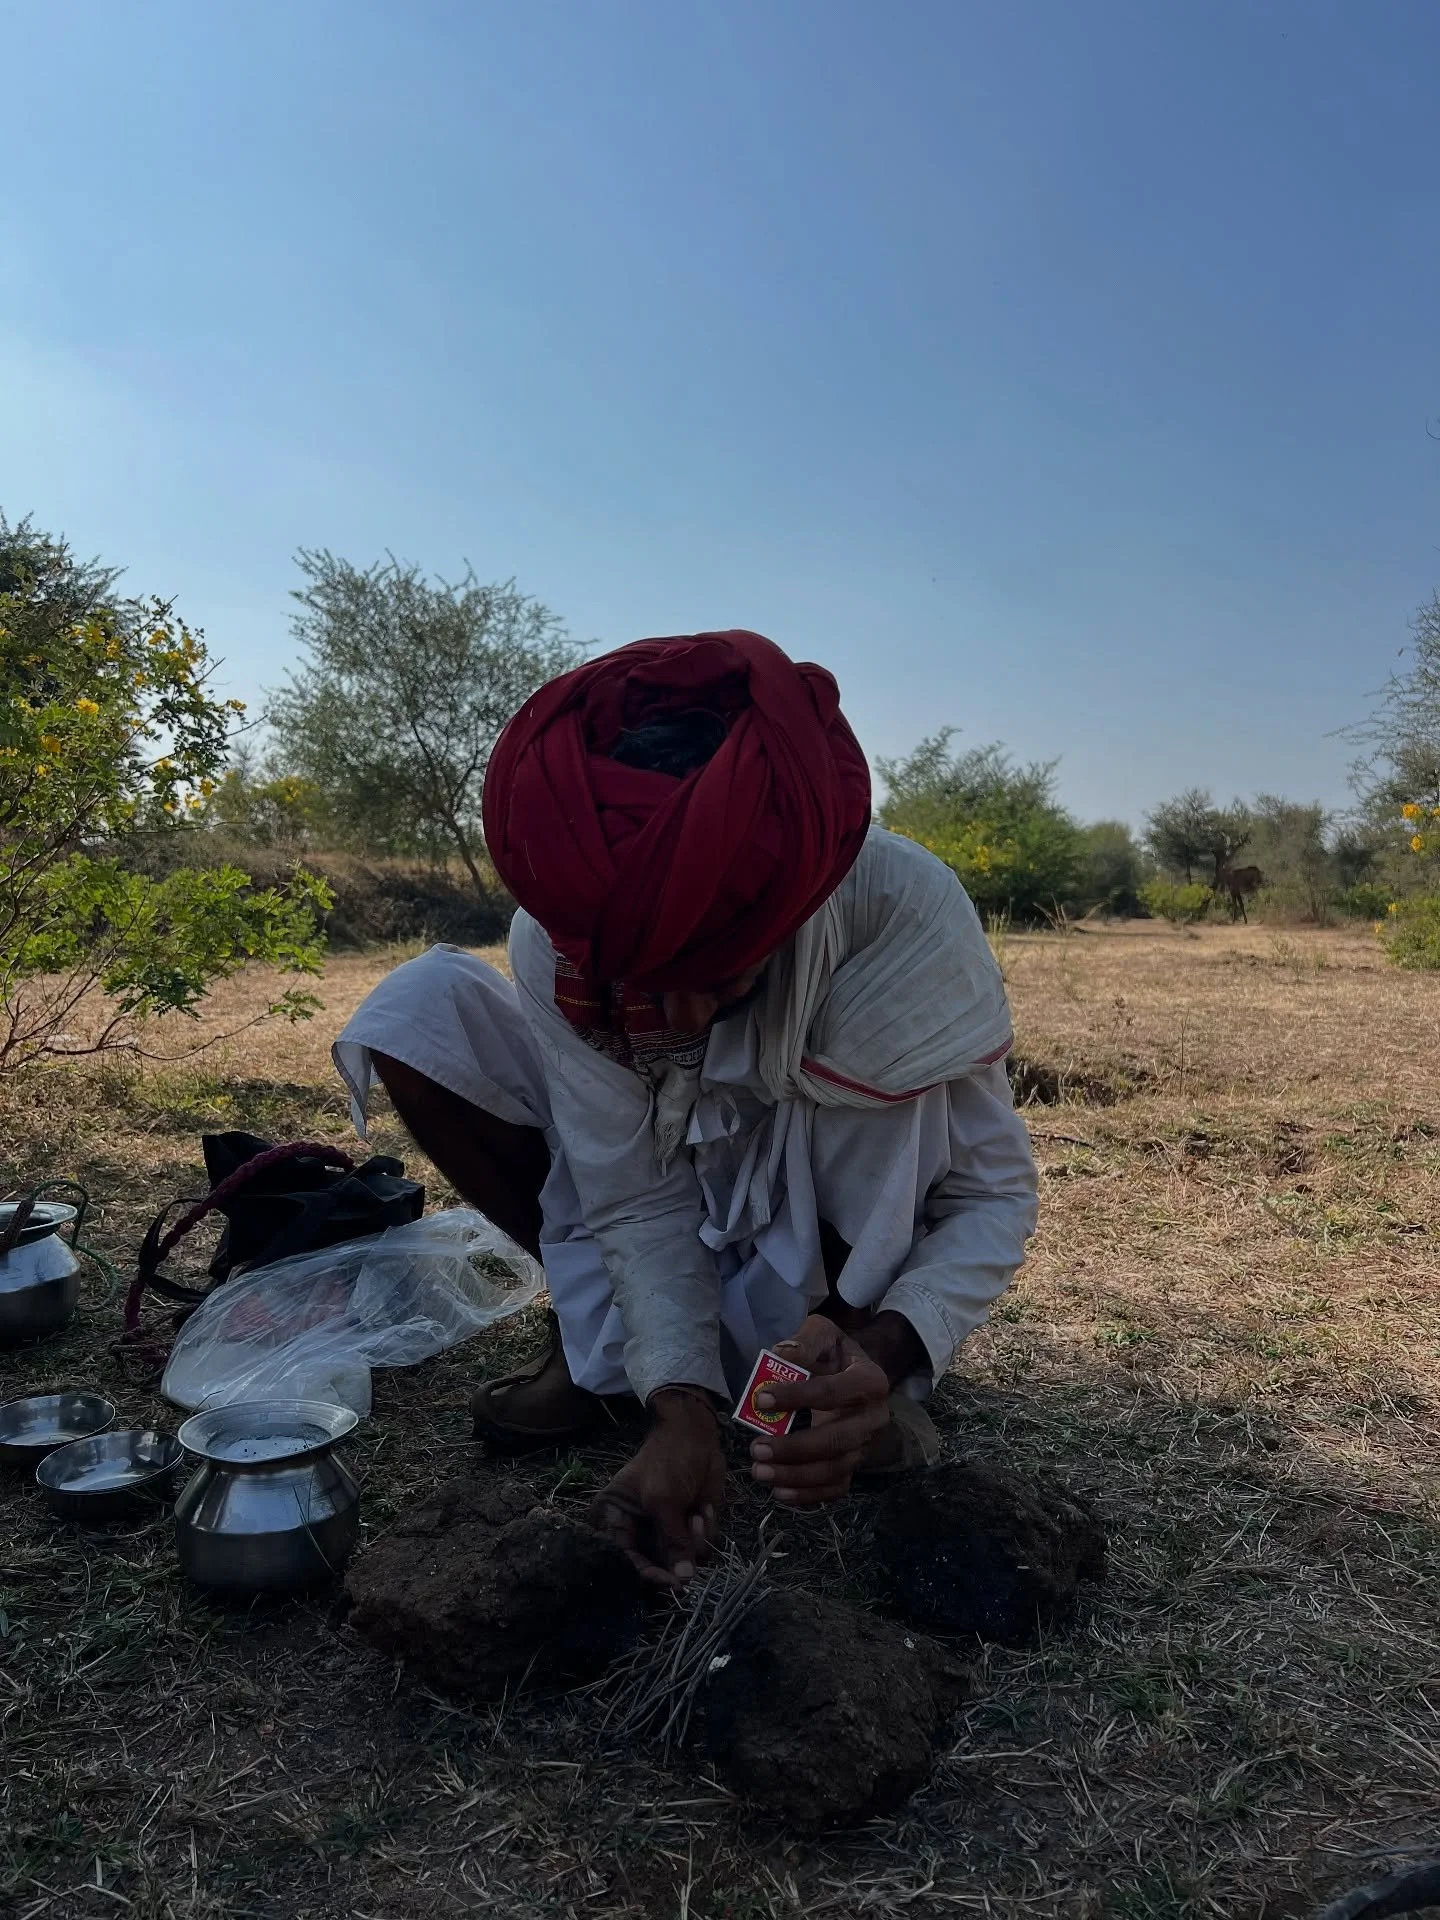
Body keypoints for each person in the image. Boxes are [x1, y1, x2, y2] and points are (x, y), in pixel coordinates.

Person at [332, 629, 1038, 1588]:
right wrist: (680, 1410)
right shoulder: (568, 934)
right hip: (670, 1210)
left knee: (892, 1094)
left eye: (719, 978)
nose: (677, 1021)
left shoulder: (901, 916)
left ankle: (832, 1388)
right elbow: (628, 1193)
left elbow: (993, 1196)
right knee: (420, 1007)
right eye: (643, 982)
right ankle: (617, 1359)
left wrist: (885, 1342)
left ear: (787, 914)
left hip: (827, 1272)